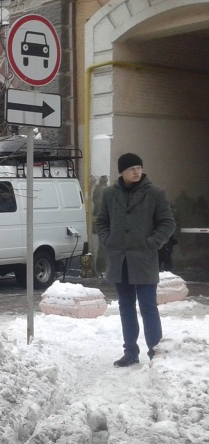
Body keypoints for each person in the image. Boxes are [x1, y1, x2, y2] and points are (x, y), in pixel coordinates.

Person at [95, 153, 176, 367]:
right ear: (122, 171)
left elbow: (168, 224)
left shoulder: (155, 193)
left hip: (145, 259)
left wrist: (152, 243)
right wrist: (108, 240)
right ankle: (130, 352)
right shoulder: (110, 194)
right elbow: (101, 221)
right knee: (126, 306)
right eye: (131, 168)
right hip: (119, 260)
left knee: (148, 306)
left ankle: (155, 353)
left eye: (139, 167)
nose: (136, 171)